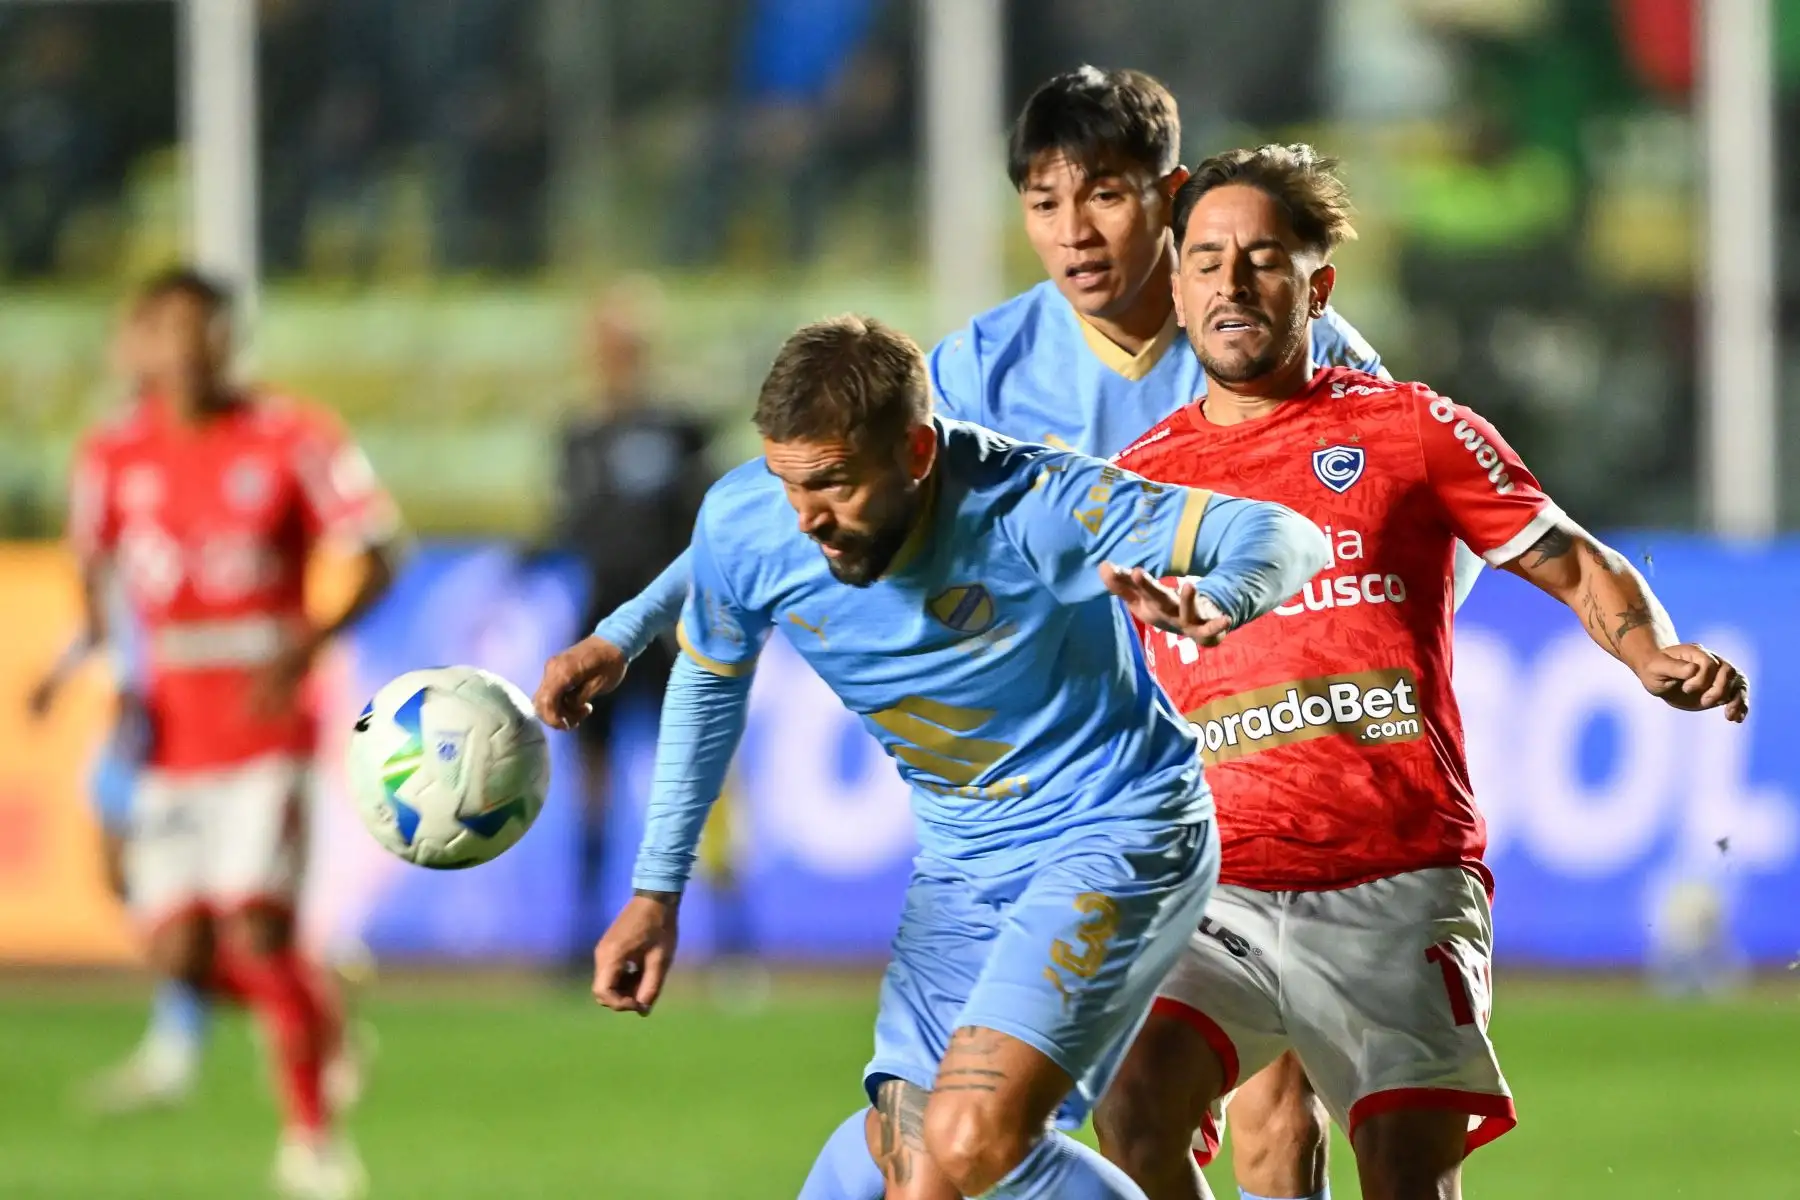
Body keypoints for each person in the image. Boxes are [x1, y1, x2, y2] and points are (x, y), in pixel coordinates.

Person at [580, 66, 1479, 1200]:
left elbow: (1380, 521)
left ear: (1171, 194)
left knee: (1269, 1124)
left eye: (1102, 195)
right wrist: (631, 630)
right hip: (1062, 762)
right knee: (1125, 1119)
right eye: (1045, 203)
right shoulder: (981, 371)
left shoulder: (1288, 335)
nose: (1074, 232)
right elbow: (786, 507)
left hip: (1249, 760)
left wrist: (1286, 647)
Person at [536, 315, 1332, 1200]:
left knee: (969, 1136)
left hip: (1115, 831)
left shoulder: (1033, 503)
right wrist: (657, 891)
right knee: (909, 1159)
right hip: (961, 864)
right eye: (787, 483)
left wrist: (1222, 595)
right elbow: (710, 680)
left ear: (916, 452)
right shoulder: (755, 522)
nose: (808, 521)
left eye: (834, 484)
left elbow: (1285, 536)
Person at [1092, 144, 1748, 1200]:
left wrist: (1648, 652)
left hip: (1395, 879)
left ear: (1319, 283)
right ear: (1173, 286)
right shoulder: (1137, 484)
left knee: (1403, 1175)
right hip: (1220, 883)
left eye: (1262, 257)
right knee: (1133, 1105)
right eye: (1206, 260)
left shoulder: (1410, 431)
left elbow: (1571, 556)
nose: (1231, 283)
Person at [50, 267, 402, 1200]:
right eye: (162, 331)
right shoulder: (112, 456)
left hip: (268, 727)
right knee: (177, 953)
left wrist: (308, 645)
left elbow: (377, 550)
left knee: (253, 925)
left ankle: (313, 1144)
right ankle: (320, 1015)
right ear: (138, 344)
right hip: (169, 735)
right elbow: (94, 575)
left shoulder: (291, 437)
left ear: (226, 341)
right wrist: (84, 669)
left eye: (200, 331)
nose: (182, 351)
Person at [29, 300, 213, 1113]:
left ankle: (182, 1043)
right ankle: (291, 992)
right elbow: (114, 596)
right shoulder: (117, 451)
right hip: (135, 694)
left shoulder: (187, 449)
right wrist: (70, 666)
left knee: (172, 881)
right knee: (126, 871)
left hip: (180, 700)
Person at [551, 278, 714, 973]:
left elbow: (705, 521)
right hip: (600, 620)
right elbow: (572, 524)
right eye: (605, 344)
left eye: (624, 343)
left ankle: (735, 937)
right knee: (591, 779)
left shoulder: (678, 431)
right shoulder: (578, 438)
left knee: (698, 768)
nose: (614, 356)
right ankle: (583, 925)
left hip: (669, 622)